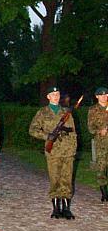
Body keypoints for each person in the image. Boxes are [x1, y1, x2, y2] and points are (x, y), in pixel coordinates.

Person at [29, 86, 77, 219]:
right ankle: (56, 208)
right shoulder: (43, 112)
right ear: (48, 97)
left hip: (67, 150)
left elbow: (73, 132)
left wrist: (73, 149)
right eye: (53, 94)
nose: (56, 96)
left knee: (67, 180)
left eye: (57, 94)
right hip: (53, 150)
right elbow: (32, 130)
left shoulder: (66, 112)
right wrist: (47, 136)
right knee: (55, 178)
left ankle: (66, 209)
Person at [87, 86, 108, 203]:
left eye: (106, 95)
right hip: (101, 143)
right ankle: (104, 192)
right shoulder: (93, 110)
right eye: (102, 95)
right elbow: (90, 128)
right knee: (101, 167)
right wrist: (100, 131)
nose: (104, 97)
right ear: (97, 96)